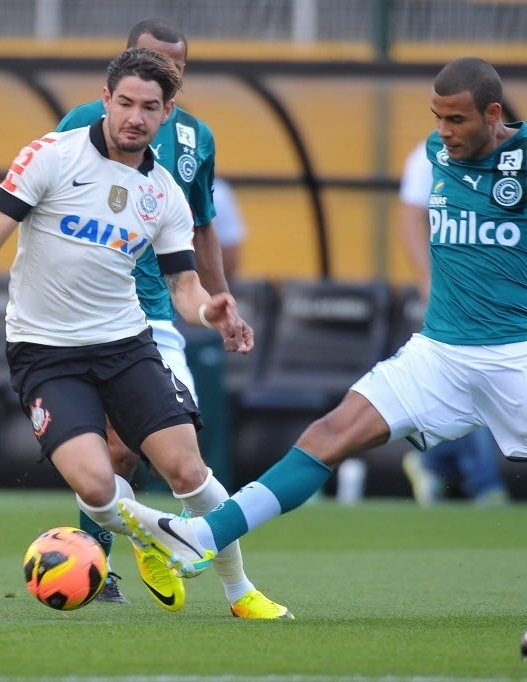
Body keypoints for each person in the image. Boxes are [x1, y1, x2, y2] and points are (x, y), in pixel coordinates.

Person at [117, 57, 526, 587]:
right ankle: (201, 537)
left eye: (457, 120)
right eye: (437, 118)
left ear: (493, 114)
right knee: (329, 434)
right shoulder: (433, 155)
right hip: (440, 354)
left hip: (513, 353)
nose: (443, 132)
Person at [0, 47, 255, 616]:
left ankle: (242, 593)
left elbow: (184, 285)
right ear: (106, 99)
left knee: (190, 471)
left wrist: (207, 310)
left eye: (149, 107)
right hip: (46, 354)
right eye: (124, 103)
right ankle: (160, 536)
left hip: (124, 345)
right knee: (95, 487)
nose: (134, 116)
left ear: (167, 114)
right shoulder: (49, 155)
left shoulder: (163, 191)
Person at [53, 18, 287, 619]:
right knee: (112, 452)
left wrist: (221, 301)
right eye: (150, 60)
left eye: (174, 67)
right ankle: (108, 566)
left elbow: (201, 224)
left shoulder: (195, 140)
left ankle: (171, 551)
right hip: (83, 317)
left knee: (170, 458)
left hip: (155, 313)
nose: (162, 72)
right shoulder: (81, 124)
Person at [397, 141, 510, 506]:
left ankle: (432, 460)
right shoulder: (426, 156)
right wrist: (426, 278)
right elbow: (410, 216)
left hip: (500, 299)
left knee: (472, 388)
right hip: (451, 295)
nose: (447, 127)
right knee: (471, 384)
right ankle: (484, 484)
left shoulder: (512, 158)